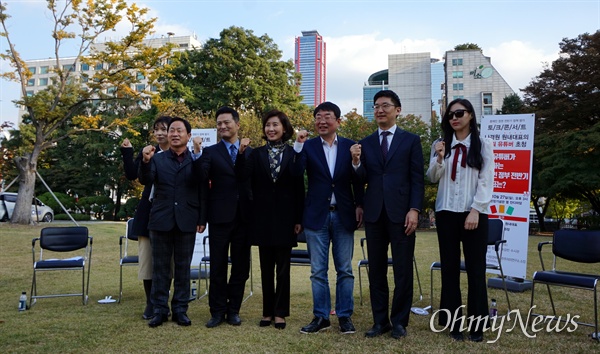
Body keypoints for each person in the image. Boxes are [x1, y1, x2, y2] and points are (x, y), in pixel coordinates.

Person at [350, 89, 424, 339]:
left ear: (397, 110)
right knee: (377, 270)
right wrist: (357, 163)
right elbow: (360, 180)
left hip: (402, 213)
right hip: (374, 214)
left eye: (385, 105)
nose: (380, 110)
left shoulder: (411, 140)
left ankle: (399, 322)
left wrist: (414, 209)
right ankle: (379, 321)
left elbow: (417, 179)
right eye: (376, 106)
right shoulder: (366, 142)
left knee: (403, 270)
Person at [292, 101, 364, 335]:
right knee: (317, 271)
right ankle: (321, 317)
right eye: (318, 117)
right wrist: (298, 146)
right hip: (316, 216)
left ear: (338, 121)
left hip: (343, 215)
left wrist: (359, 203)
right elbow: (294, 175)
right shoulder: (308, 146)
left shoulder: (351, 147)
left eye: (327, 116)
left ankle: (344, 316)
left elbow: (359, 179)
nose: (321, 121)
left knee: (345, 269)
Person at [426, 98, 494, 342]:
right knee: (450, 268)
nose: (454, 118)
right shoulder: (440, 144)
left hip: (473, 213)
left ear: (471, 116)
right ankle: (453, 322)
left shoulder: (483, 145)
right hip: (446, 213)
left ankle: (477, 324)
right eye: (450, 115)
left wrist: (476, 210)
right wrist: (440, 158)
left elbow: (487, 181)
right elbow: (432, 177)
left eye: (459, 113)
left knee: (476, 270)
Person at [235, 110, 304, 330]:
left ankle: (280, 313)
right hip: (262, 218)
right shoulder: (255, 154)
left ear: (284, 128)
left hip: (286, 219)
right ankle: (267, 312)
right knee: (266, 267)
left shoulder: (295, 153)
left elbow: (298, 187)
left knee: (283, 269)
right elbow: (242, 177)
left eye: (275, 125)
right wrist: (240, 153)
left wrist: (298, 218)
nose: (270, 129)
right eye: (267, 125)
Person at [138, 117, 206, 327]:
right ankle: (159, 310)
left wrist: (202, 218)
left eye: (179, 130)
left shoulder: (196, 157)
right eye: (171, 130)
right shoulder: (157, 158)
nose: (174, 134)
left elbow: (201, 183)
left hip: (187, 219)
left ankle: (180, 310)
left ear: (188, 135)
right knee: (160, 269)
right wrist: (146, 161)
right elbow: (146, 180)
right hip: (160, 219)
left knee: (183, 268)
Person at [200, 106, 252, 328]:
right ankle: (217, 311)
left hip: (245, 218)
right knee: (218, 267)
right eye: (219, 123)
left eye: (226, 122)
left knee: (240, 267)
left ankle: (234, 310)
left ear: (237, 124)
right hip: (219, 216)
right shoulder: (210, 152)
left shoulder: (251, 152)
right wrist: (202, 218)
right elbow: (202, 186)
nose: (222, 126)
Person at [120, 116, 171, 320]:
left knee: (168, 264)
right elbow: (133, 174)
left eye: (164, 129)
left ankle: (163, 302)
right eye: (156, 129)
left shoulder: (178, 154)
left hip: (169, 213)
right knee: (147, 262)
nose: (160, 133)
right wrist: (128, 152)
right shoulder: (149, 152)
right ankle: (151, 303)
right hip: (148, 213)